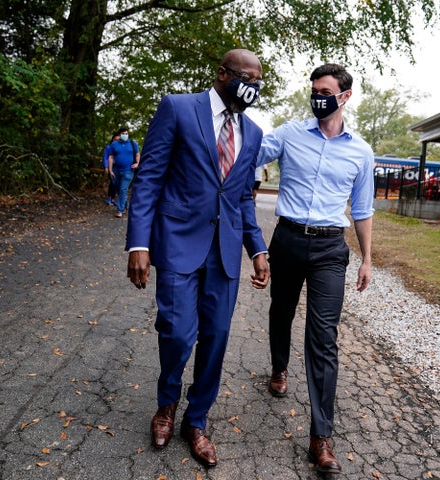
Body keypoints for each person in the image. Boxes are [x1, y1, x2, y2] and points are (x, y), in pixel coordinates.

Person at [125, 49, 270, 468]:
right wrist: (139, 244)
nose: (252, 86)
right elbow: (149, 177)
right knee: (176, 330)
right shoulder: (178, 108)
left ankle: (197, 419)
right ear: (222, 74)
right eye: (246, 76)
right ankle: (167, 403)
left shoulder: (254, 133)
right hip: (177, 243)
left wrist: (257, 249)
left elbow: (242, 197)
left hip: (224, 251)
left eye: (259, 81)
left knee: (217, 337)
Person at [257, 63, 374, 474]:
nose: (317, 96)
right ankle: (278, 367)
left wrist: (367, 258)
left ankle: (320, 437)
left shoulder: (361, 151)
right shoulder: (290, 133)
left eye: (325, 90)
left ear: (344, 96)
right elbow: (249, 154)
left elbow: (361, 209)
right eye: (313, 90)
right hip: (288, 239)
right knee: (281, 311)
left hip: (329, 248)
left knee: (323, 337)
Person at [108, 127, 140, 218]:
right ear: (119, 135)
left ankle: (120, 210)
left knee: (123, 189)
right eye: (123, 133)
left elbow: (137, 154)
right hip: (116, 170)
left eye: (126, 133)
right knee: (118, 189)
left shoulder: (133, 143)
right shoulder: (114, 144)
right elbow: (111, 157)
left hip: (128, 170)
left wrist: (137, 163)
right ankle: (126, 206)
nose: (125, 135)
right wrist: (110, 170)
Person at [102, 132, 120, 205]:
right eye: (115, 140)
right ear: (112, 140)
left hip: (118, 167)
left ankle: (113, 199)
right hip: (111, 166)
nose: (116, 141)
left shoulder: (120, 148)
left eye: (118, 140)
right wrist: (106, 167)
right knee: (112, 182)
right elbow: (105, 157)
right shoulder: (108, 147)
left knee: (116, 183)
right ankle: (109, 198)